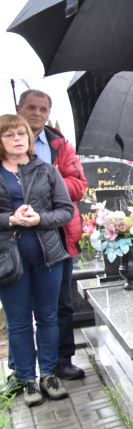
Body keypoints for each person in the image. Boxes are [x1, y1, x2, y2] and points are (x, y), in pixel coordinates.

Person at [0, 114, 75, 407]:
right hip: (9, 260)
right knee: (18, 323)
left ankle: (48, 374)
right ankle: (27, 380)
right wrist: (11, 219)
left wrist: (39, 219)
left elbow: (65, 211)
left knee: (47, 317)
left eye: (21, 134)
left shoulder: (46, 170)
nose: (17, 139)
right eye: (9, 135)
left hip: (48, 256)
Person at [15, 90, 87, 382]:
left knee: (61, 304)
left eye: (43, 109)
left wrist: (48, 182)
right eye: (30, 107)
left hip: (58, 235)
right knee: (20, 309)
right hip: (16, 239)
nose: (36, 113)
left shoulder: (60, 147)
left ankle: (62, 360)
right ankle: (21, 370)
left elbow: (79, 186)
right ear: (19, 108)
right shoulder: (7, 144)